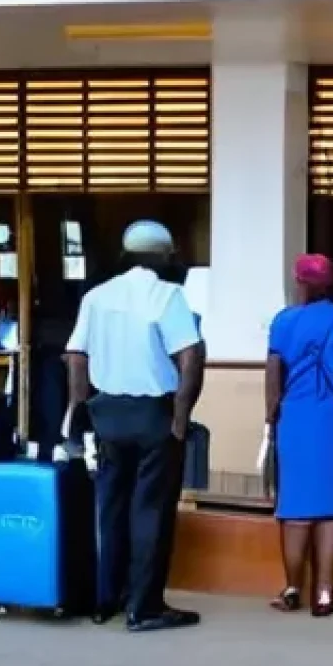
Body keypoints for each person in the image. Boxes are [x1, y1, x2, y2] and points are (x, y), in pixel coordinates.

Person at [64, 220, 205, 633]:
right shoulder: (168, 295)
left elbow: (76, 357)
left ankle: (106, 599)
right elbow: (190, 356)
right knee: (151, 512)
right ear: (165, 257)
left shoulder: (97, 296)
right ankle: (144, 608)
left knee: (110, 508)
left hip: (107, 414)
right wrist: (180, 419)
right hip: (153, 417)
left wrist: (78, 408)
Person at [260, 254, 333, 616]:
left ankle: (292, 588)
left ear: (299, 282)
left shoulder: (284, 322)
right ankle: (324, 595)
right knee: (330, 511)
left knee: (294, 508)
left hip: (294, 420)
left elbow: (273, 373)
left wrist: (270, 415)